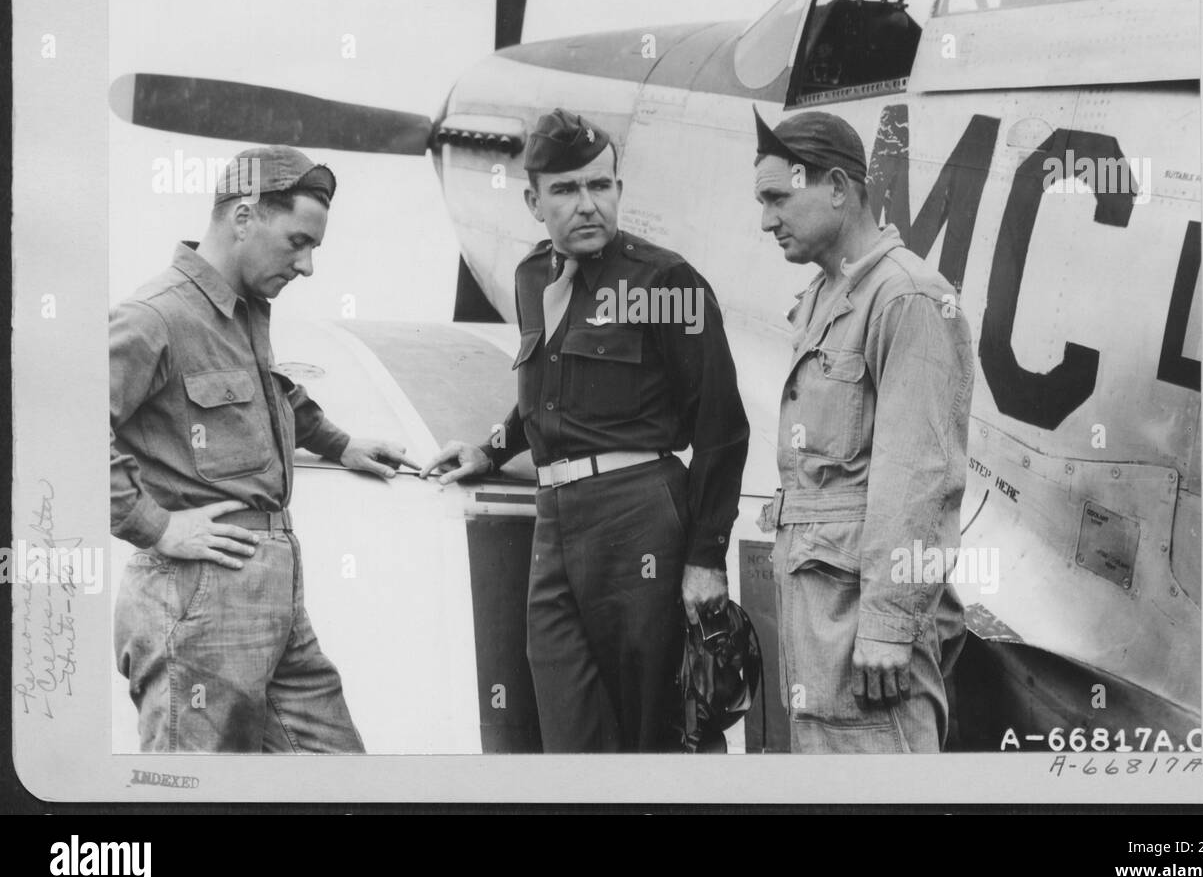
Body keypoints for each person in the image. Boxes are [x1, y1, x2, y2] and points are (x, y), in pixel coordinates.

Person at [423, 108, 749, 752]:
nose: (587, 204)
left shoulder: (663, 283)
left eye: (600, 186)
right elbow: (545, 396)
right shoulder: (530, 278)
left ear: (619, 191)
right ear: (533, 201)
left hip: (640, 516)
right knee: (568, 731)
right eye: (567, 190)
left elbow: (722, 426)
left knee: (657, 733)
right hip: (555, 523)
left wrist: (706, 559)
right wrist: (491, 450)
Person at [111, 145, 420, 753]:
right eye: (298, 242)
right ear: (244, 218)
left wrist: (342, 444)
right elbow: (60, 421)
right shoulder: (156, 316)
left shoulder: (247, 311)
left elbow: (269, 395)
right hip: (196, 599)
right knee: (192, 791)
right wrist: (155, 526)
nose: (307, 267)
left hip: (275, 603)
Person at [751, 107, 973, 753]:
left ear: (838, 190)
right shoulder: (823, 298)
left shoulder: (907, 298)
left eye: (778, 198)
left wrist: (887, 624)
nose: (766, 220)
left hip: (868, 651)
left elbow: (919, 476)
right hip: (819, 642)